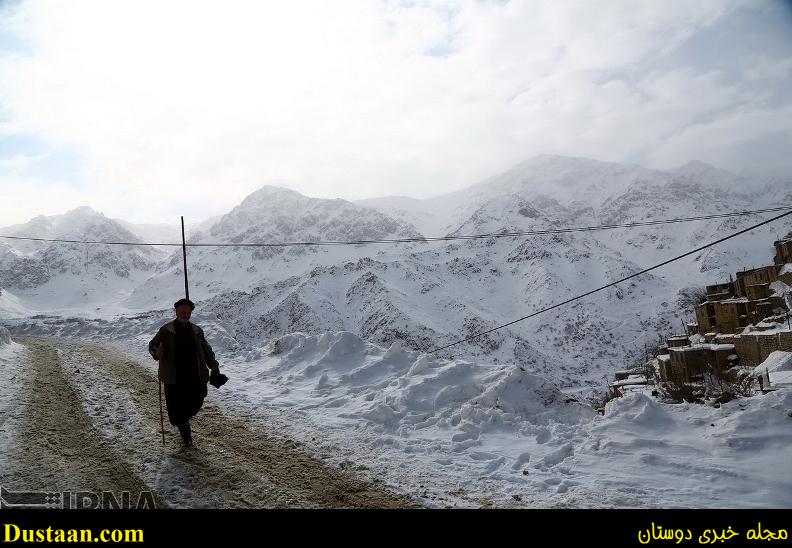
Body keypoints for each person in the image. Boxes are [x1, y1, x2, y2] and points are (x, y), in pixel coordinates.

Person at [148, 298, 223, 446]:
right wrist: (157, 352)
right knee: (176, 414)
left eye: (188, 312)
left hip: (194, 376)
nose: (185, 314)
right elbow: (152, 345)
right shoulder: (166, 330)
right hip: (174, 378)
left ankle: (185, 419)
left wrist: (214, 367)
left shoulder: (197, 331)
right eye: (182, 312)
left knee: (195, 403)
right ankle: (186, 436)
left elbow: (207, 351)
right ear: (176, 312)